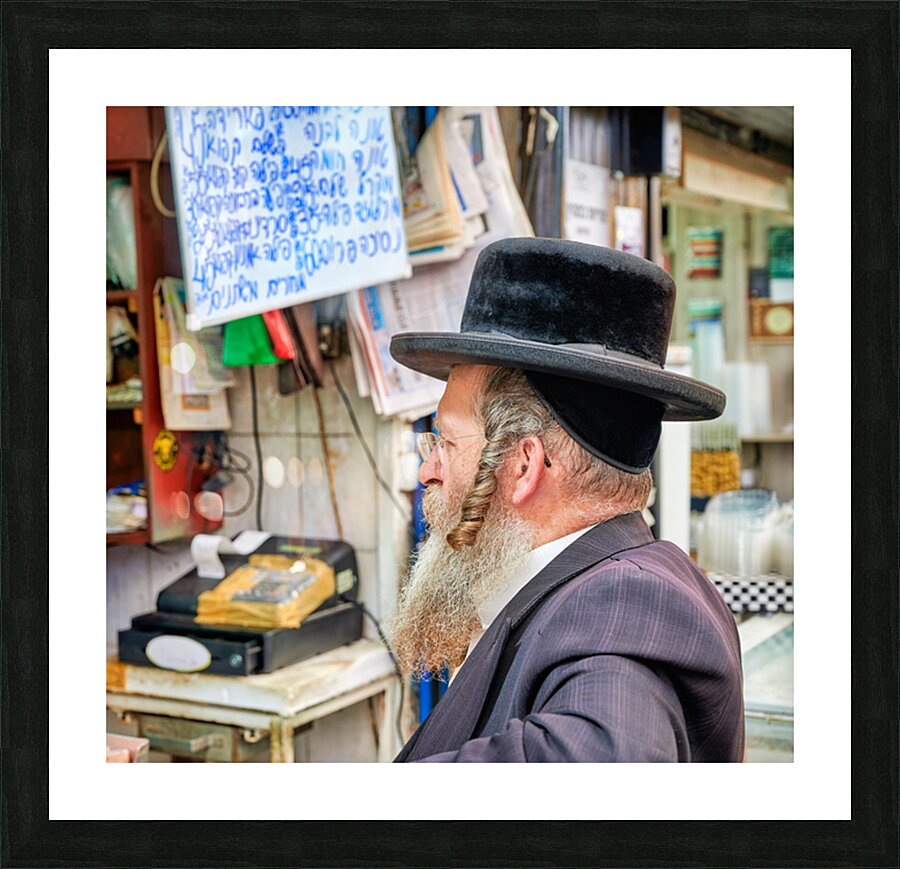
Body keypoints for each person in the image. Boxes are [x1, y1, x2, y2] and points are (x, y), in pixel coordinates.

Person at [388, 237, 745, 763]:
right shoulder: (587, 587)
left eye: (444, 440)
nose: (427, 469)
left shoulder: (619, 609)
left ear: (524, 465)